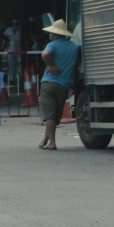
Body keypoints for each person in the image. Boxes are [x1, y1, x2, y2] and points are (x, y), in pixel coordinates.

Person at [38, 19, 80, 150]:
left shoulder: (52, 45)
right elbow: (75, 67)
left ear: (55, 34)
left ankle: (52, 143)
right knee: (55, 114)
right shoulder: (74, 47)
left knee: (49, 115)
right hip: (64, 86)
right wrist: (73, 83)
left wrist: (51, 65)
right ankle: (45, 139)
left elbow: (45, 54)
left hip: (49, 83)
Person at [4, 19, 23, 87]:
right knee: (11, 64)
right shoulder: (8, 30)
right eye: (14, 24)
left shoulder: (21, 30)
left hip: (19, 49)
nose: (15, 25)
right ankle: (12, 79)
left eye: (16, 24)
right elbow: (5, 39)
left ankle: (19, 78)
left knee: (19, 64)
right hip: (11, 49)